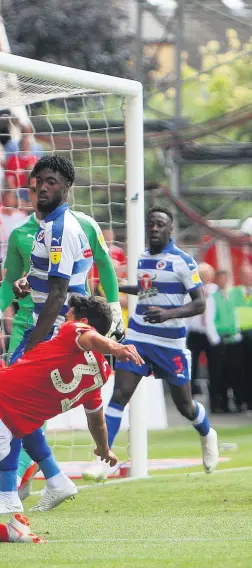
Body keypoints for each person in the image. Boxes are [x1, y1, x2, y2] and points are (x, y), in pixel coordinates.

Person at [0, 155, 123, 513]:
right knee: (18, 405)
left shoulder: (72, 227)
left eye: (51, 181)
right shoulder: (30, 230)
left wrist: (113, 309)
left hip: (56, 329)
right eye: (39, 179)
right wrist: (24, 287)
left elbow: (70, 285)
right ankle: (52, 479)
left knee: (11, 403)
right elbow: (20, 282)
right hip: (41, 323)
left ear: (67, 187)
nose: (42, 186)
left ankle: (11, 492)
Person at [83, 206, 219, 481]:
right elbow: (148, 290)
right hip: (139, 338)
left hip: (170, 344)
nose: (154, 228)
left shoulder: (183, 262)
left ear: (170, 230)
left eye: (160, 224)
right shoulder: (143, 258)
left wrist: (168, 314)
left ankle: (207, 433)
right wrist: (119, 286)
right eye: (151, 224)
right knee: (119, 395)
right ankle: (102, 458)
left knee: (185, 406)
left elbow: (200, 303)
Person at [0, 294, 143, 540]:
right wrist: (104, 448)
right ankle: (14, 511)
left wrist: (115, 347)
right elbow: (95, 419)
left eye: (68, 315)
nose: (64, 319)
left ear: (83, 321)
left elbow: (89, 336)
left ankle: (10, 499)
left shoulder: (73, 333)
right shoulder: (98, 376)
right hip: (12, 425)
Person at [228, 264, 252, 412]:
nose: (248, 278)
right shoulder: (233, 292)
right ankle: (239, 400)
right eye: (245, 275)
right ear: (240, 277)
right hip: (239, 336)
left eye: (251, 275)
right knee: (238, 370)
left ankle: (251, 401)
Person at [186, 262, 221, 399]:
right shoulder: (191, 289)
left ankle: (214, 396)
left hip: (211, 333)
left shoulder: (216, 290)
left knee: (214, 366)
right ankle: (190, 395)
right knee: (191, 365)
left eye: (207, 275)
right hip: (195, 332)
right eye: (202, 275)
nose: (205, 277)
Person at [211, 270, 243, 412]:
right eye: (221, 279)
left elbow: (235, 315)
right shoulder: (212, 297)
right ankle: (220, 404)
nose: (223, 281)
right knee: (219, 374)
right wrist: (215, 339)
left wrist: (237, 333)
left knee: (234, 373)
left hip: (232, 339)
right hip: (220, 339)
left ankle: (236, 402)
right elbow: (210, 320)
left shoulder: (231, 295)